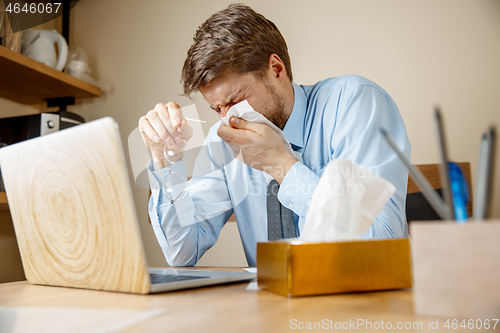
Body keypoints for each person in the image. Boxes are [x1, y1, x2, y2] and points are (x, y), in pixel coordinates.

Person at [139, 4, 411, 267]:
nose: (227, 118)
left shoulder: (354, 102)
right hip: (269, 308)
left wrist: (281, 165)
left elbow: (380, 246)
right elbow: (182, 251)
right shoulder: (222, 142)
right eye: (216, 108)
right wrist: (167, 159)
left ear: (276, 69)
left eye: (235, 100)